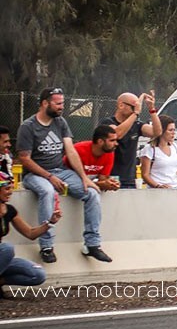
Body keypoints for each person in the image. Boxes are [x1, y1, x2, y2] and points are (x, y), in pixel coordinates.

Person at [17, 87, 110, 263]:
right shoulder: (28, 127)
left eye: (63, 103)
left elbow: (71, 152)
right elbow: (25, 159)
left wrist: (83, 178)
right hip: (35, 175)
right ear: (45, 103)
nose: (62, 107)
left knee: (91, 193)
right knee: (47, 191)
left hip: (61, 172)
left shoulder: (60, 123)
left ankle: (92, 244)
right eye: (58, 103)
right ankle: (46, 246)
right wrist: (49, 177)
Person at [0, 172, 58, 290]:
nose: (10, 192)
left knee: (38, 274)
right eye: (7, 189)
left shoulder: (9, 210)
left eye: (11, 188)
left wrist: (50, 223)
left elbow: (30, 233)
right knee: (7, 248)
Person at [101, 91, 162, 189]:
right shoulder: (108, 122)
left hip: (130, 178)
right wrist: (136, 113)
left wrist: (152, 110)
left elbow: (157, 132)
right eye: (134, 107)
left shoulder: (137, 124)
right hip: (111, 177)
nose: (136, 110)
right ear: (121, 105)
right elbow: (117, 134)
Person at [141, 116, 177, 188]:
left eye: (174, 130)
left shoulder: (174, 147)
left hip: (174, 189)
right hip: (156, 191)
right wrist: (158, 186)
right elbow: (145, 174)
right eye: (170, 130)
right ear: (162, 131)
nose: (173, 133)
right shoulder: (150, 149)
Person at [65, 125, 121, 192]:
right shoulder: (78, 150)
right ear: (100, 141)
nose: (116, 144)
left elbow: (103, 179)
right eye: (112, 140)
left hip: (85, 188)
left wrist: (110, 184)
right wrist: (99, 184)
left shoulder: (109, 153)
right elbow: (71, 182)